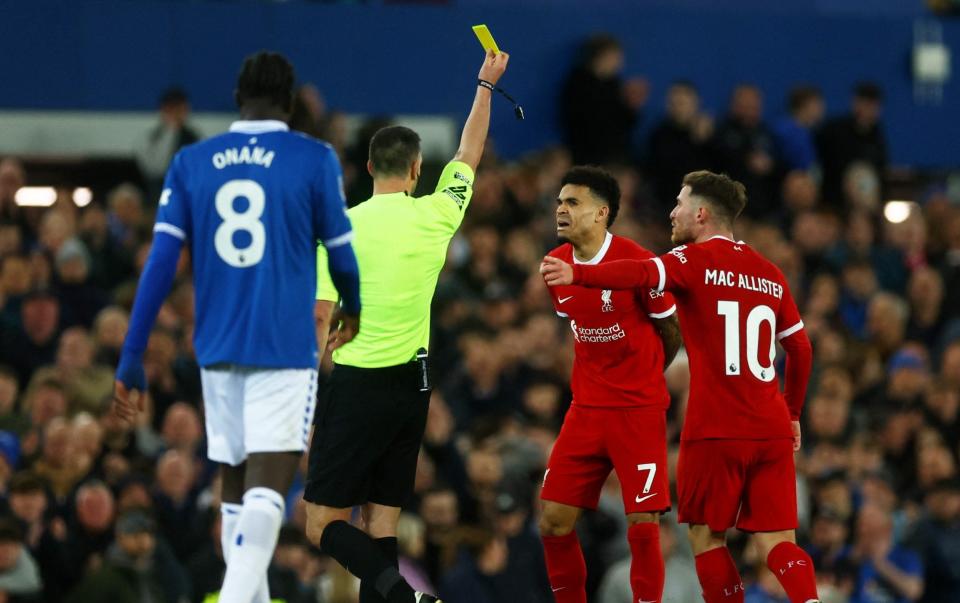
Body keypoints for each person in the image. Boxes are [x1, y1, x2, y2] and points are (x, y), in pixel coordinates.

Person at [112, 51, 361, 603]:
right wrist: (356, 303)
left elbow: (159, 265)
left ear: (235, 100)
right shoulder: (312, 157)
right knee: (269, 488)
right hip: (283, 346)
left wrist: (132, 354)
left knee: (235, 486)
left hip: (217, 348)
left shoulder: (192, 161)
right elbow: (342, 257)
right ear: (291, 103)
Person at [540, 170, 819, 603]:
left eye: (679, 204)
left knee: (707, 538)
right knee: (779, 541)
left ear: (702, 214)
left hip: (715, 427)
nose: (672, 212)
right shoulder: (770, 272)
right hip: (772, 425)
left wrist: (580, 277)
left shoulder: (692, 261)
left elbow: (636, 273)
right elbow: (800, 349)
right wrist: (795, 413)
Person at [303, 49, 510, 603]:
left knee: (321, 523)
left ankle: (404, 596)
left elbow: (321, 317)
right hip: (413, 385)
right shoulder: (439, 213)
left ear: (370, 167)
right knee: (382, 524)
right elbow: (470, 149)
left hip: (358, 384)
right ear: (418, 170)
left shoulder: (338, 230)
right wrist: (485, 86)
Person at [537, 166, 682, 603]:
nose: (561, 209)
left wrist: (646, 374)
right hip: (585, 411)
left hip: (638, 412)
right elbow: (580, 328)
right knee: (553, 521)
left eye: (573, 202)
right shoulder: (555, 264)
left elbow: (670, 329)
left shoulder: (640, 263)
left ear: (601, 213)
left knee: (642, 524)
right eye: (560, 201)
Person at [560, 34, 647, 165]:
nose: (620, 63)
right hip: (588, 156)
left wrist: (632, 105)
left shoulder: (614, 84)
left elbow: (625, 124)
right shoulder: (578, 85)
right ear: (601, 57)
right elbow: (585, 124)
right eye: (616, 57)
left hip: (617, 155)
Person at [816, 82, 888, 209]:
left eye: (874, 105)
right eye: (866, 104)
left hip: (867, 205)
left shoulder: (877, 136)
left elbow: (881, 169)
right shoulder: (834, 130)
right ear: (856, 103)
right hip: (834, 200)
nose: (869, 110)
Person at [135, 87, 203, 204]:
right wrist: (171, 131)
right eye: (172, 109)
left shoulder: (194, 136)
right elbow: (154, 169)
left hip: (188, 193)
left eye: (180, 109)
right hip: (159, 194)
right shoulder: (153, 136)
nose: (177, 113)